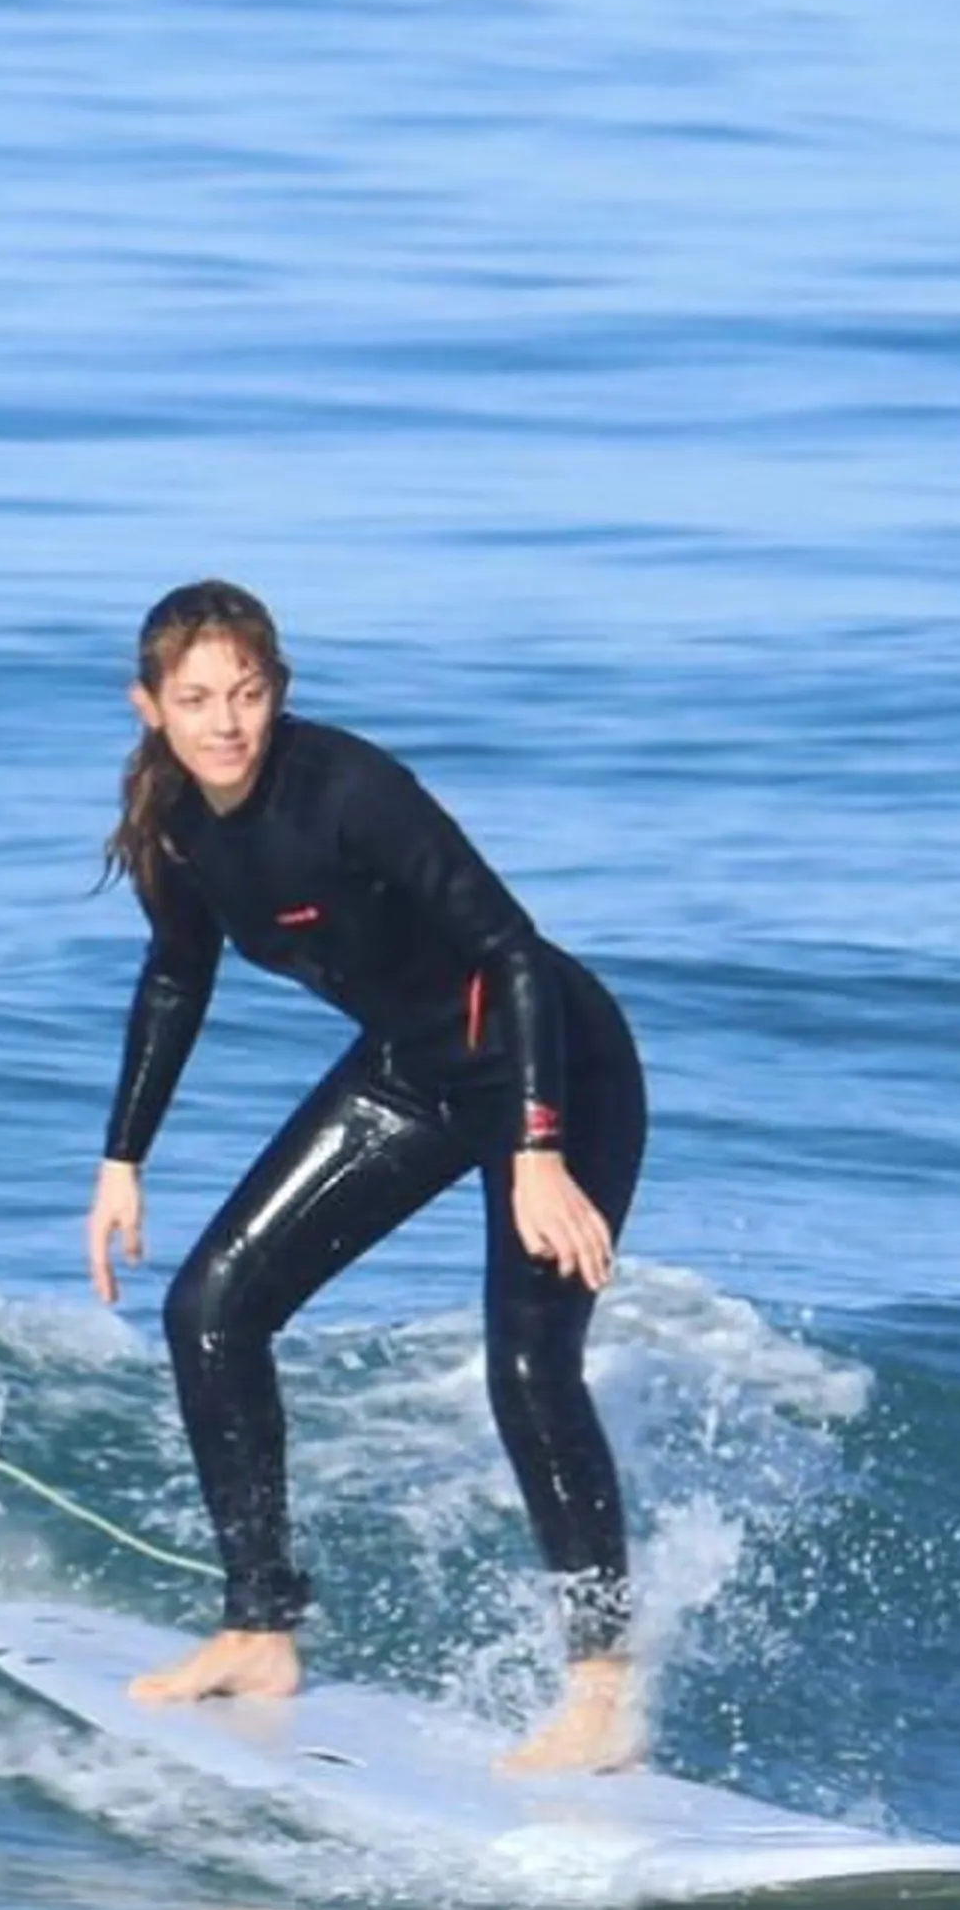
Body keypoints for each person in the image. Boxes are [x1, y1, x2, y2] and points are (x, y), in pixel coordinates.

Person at [84, 580, 651, 1775]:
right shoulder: (178, 823)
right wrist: (122, 1158)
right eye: (196, 701)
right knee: (212, 1312)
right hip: (414, 1072)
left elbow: (517, 954)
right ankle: (259, 1625)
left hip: (558, 1066)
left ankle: (603, 1686)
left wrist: (540, 1150)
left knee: (527, 1366)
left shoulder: (351, 791)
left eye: (245, 695)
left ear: (276, 694)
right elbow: (178, 973)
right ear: (152, 709)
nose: (225, 723)